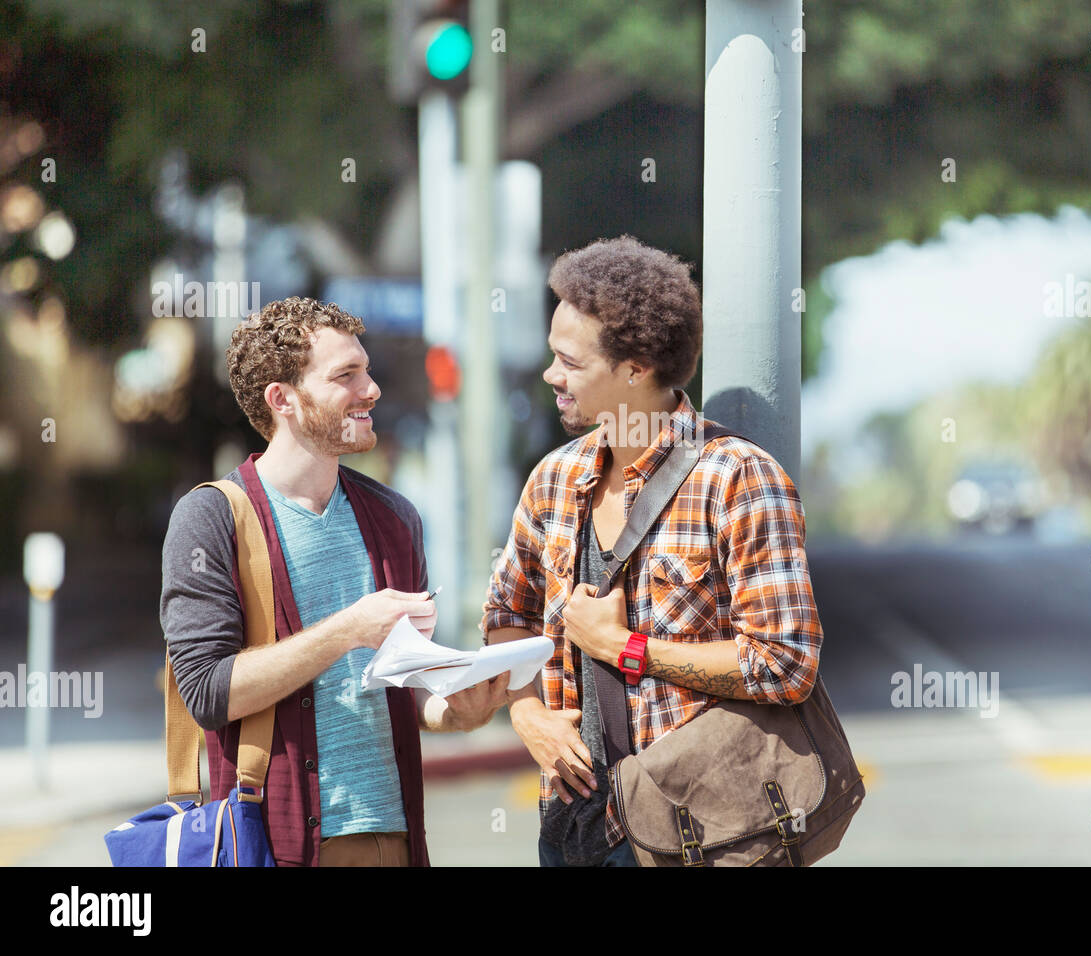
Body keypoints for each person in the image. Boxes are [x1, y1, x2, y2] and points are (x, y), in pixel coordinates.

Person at [482, 236, 823, 866]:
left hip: (698, 831)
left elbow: (786, 664)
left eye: (570, 361)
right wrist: (527, 713)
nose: (551, 375)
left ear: (635, 368)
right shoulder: (553, 479)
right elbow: (506, 615)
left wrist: (623, 649)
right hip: (572, 824)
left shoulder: (738, 478)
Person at [162, 296, 507, 867]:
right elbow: (208, 692)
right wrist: (348, 628)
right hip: (276, 844)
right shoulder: (212, 518)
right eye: (346, 375)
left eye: (366, 371)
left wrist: (454, 713)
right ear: (284, 400)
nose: (370, 389)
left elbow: (400, 687)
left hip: (395, 842)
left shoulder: (395, 518)